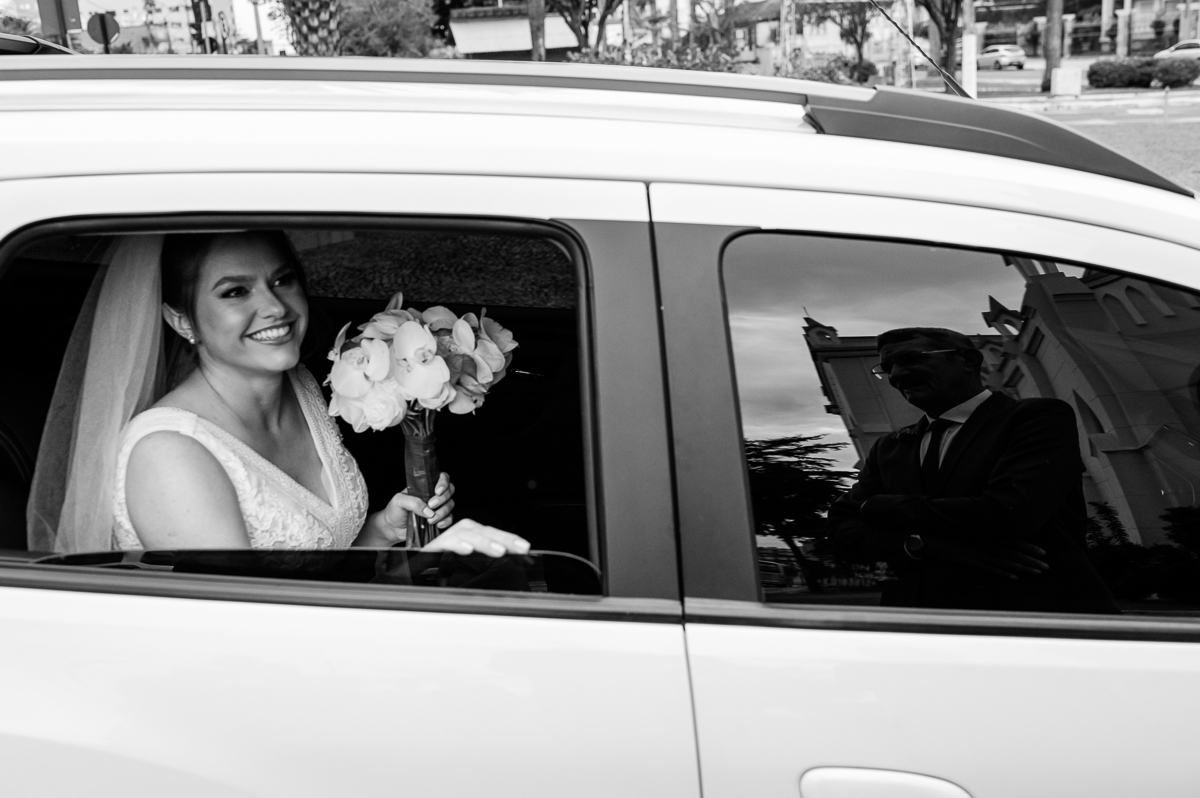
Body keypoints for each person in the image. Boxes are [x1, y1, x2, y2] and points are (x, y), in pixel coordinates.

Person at [27, 232, 528, 557]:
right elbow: (250, 634)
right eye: (235, 291)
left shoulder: (302, 386)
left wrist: (383, 531)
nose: (275, 307)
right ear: (181, 320)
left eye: (282, 280)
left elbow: (317, 567)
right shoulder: (169, 454)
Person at [829, 327, 1117, 613]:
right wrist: (923, 545)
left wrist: (881, 506)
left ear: (968, 361)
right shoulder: (889, 447)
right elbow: (841, 529)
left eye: (911, 359)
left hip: (1029, 614)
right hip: (918, 619)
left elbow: (1009, 513)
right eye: (887, 367)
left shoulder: (1034, 418)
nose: (896, 375)